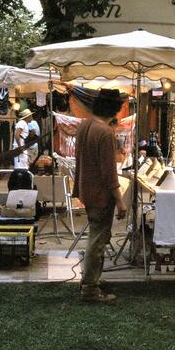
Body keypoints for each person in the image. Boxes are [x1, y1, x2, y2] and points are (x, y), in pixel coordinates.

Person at [73, 89, 127, 303]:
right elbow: (109, 172)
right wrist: (120, 201)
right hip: (100, 194)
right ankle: (90, 289)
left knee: (97, 237)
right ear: (114, 109)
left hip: (87, 189)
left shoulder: (84, 125)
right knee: (97, 240)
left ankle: (91, 278)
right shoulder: (104, 132)